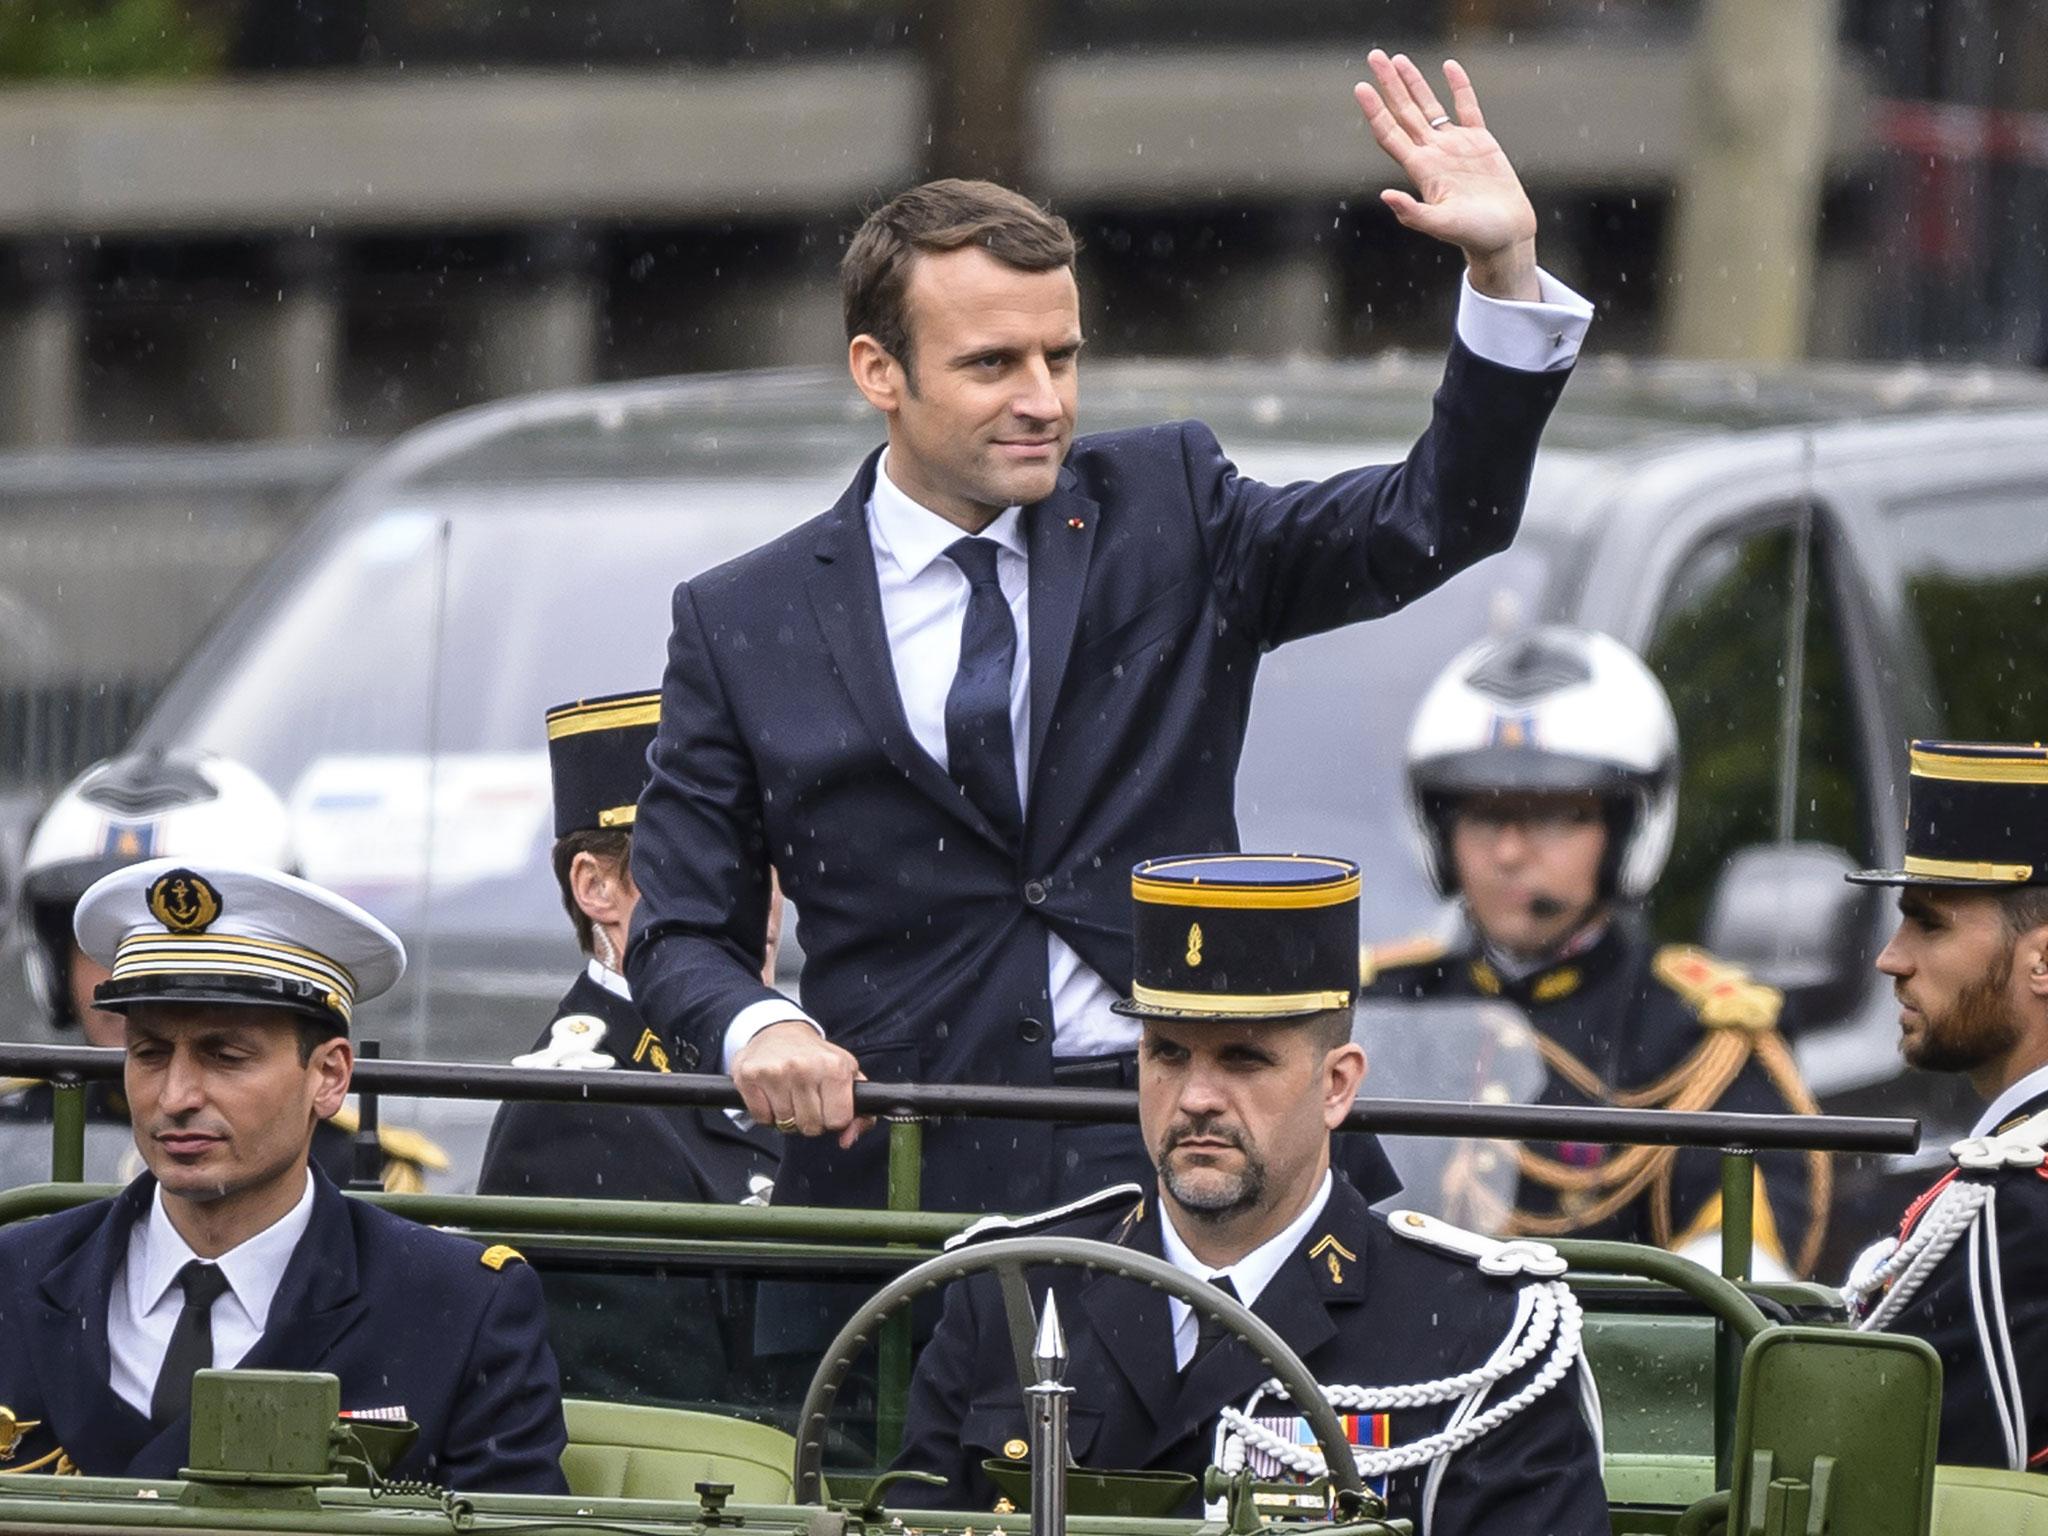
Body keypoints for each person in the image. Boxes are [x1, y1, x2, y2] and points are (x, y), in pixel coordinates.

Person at [627, 50, 1595, 1215]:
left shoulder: (1167, 506)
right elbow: (680, 929)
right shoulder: (741, 619)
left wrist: (1501, 269)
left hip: (1187, 1154)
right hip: (897, 1168)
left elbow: (1438, 519)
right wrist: (760, 1025)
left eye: (1061, 355)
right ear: (876, 372)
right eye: (991, 364)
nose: (1043, 399)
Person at [895, 854, 1608, 1534]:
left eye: (1244, 1058)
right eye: (1167, 1053)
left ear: (1337, 1085)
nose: (1197, 1097)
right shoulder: (1010, 1293)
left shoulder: (1477, 1330)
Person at [0, 858, 569, 1490]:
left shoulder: (457, 1309)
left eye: (226, 1057)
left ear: (328, 1077)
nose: (177, 1095)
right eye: (150, 1054)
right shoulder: (14, 1278)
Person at [1362, 627, 1828, 1277]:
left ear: (1628, 829)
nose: (1509, 852)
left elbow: (1739, 1276)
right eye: (1482, 814)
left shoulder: (1700, 1038)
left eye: (1551, 815)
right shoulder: (1370, 1007)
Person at [7, 749, 446, 1192]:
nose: (135, 986)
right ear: (53, 962)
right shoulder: (10, 1131)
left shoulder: (349, 1163)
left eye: (227, 1056)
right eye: (109, 949)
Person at [477, 690, 778, 1207]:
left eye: (765, 852)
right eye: (702, 860)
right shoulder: (577, 1108)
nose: (759, 891)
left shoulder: (786, 1046)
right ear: (595, 887)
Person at [1839, 741, 2048, 1471]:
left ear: (2043, 962)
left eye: (1929, 923)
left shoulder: (2014, 1206)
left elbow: (1941, 1485)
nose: (1891, 958)